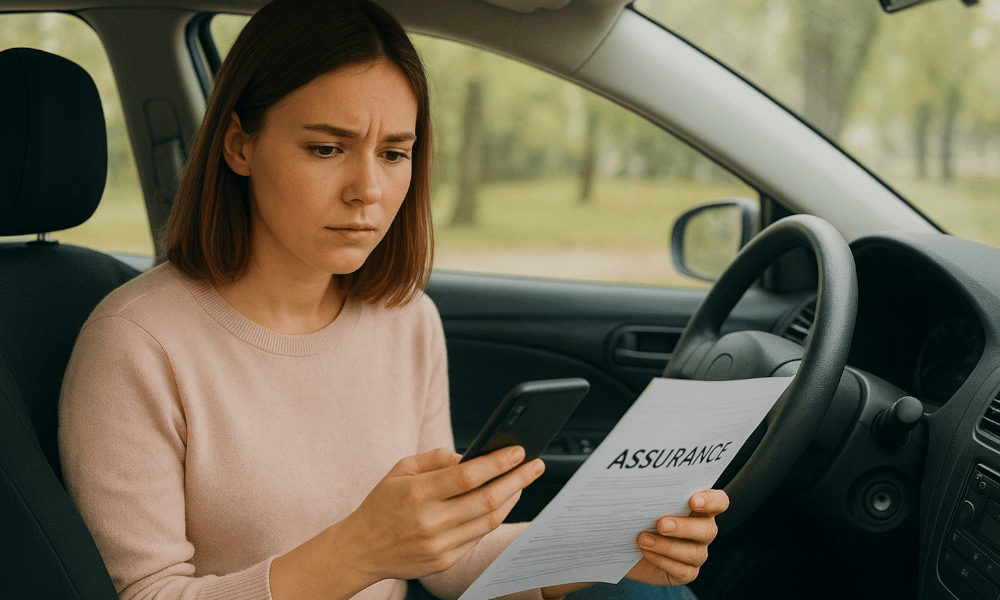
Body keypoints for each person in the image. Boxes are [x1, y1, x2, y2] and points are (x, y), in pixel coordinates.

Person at [57, 1, 729, 599]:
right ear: (239, 145)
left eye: (394, 153)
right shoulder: (137, 342)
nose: (368, 190)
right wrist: (358, 551)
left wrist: (608, 546)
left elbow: (445, 561)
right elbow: (147, 593)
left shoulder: (406, 319)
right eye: (327, 148)